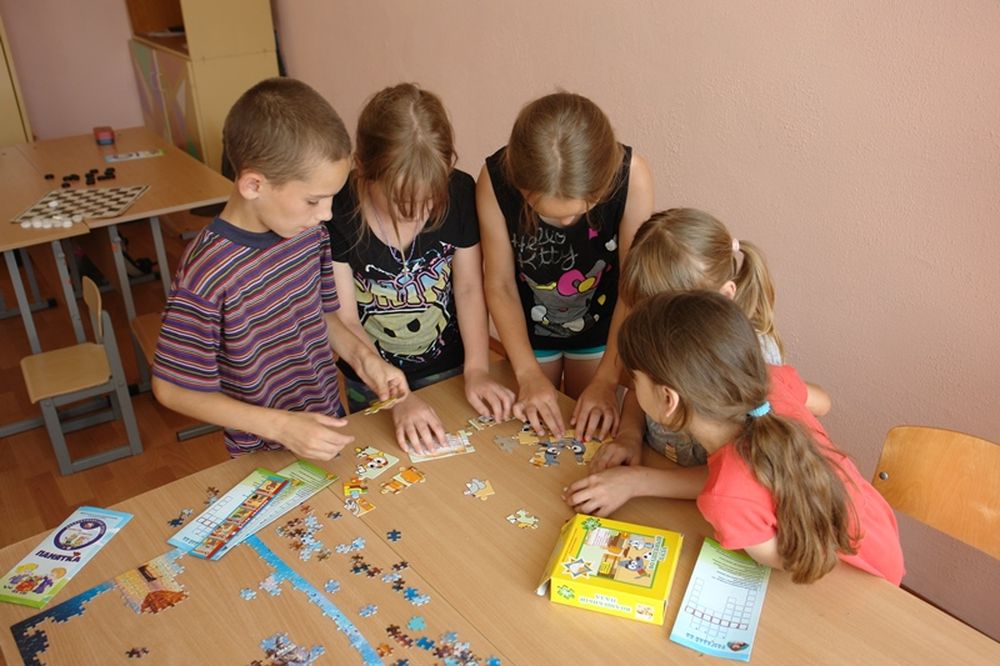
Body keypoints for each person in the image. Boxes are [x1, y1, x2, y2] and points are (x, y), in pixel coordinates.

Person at [568, 291, 904, 585]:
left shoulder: (725, 501)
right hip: (879, 539)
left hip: (860, 581)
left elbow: (789, 561)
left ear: (668, 400)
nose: (631, 385)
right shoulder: (770, 382)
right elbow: (819, 405)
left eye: (635, 379)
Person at [152, 77, 408, 461]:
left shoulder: (309, 235)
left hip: (325, 429)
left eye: (332, 199)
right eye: (313, 200)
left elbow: (323, 316)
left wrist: (364, 359)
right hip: (261, 450)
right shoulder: (207, 273)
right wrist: (282, 426)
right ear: (254, 185)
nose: (327, 215)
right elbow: (172, 389)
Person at [326, 83, 514, 453]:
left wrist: (478, 369)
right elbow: (344, 320)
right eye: (399, 200)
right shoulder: (337, 211)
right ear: (362, 168)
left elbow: (468, 289)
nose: (416, 213)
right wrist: (398, 398)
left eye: (430, 199)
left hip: (450, 367)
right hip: (370, 377)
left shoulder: (460, 192)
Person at [589, 208, 831, 474]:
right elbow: (641, 388)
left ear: (723, 295)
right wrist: (629, 436)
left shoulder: (749, 355)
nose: (652, 329)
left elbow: (742, 473)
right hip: (653, 468)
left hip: (700, 490)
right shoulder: (654, 334)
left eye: (667, 318)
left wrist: (644, 481)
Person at [477, 92, 654, 440]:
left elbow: (633, 287)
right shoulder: (495, 179)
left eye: (580, 211)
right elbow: (499, 284)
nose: (569, 222)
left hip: (603, 325)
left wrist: (607, 379)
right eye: (548, 214)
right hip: (527, 326)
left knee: (587, 427)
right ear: (519, 186)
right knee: (533, 427)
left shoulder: (633, 177)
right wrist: (527, 373)